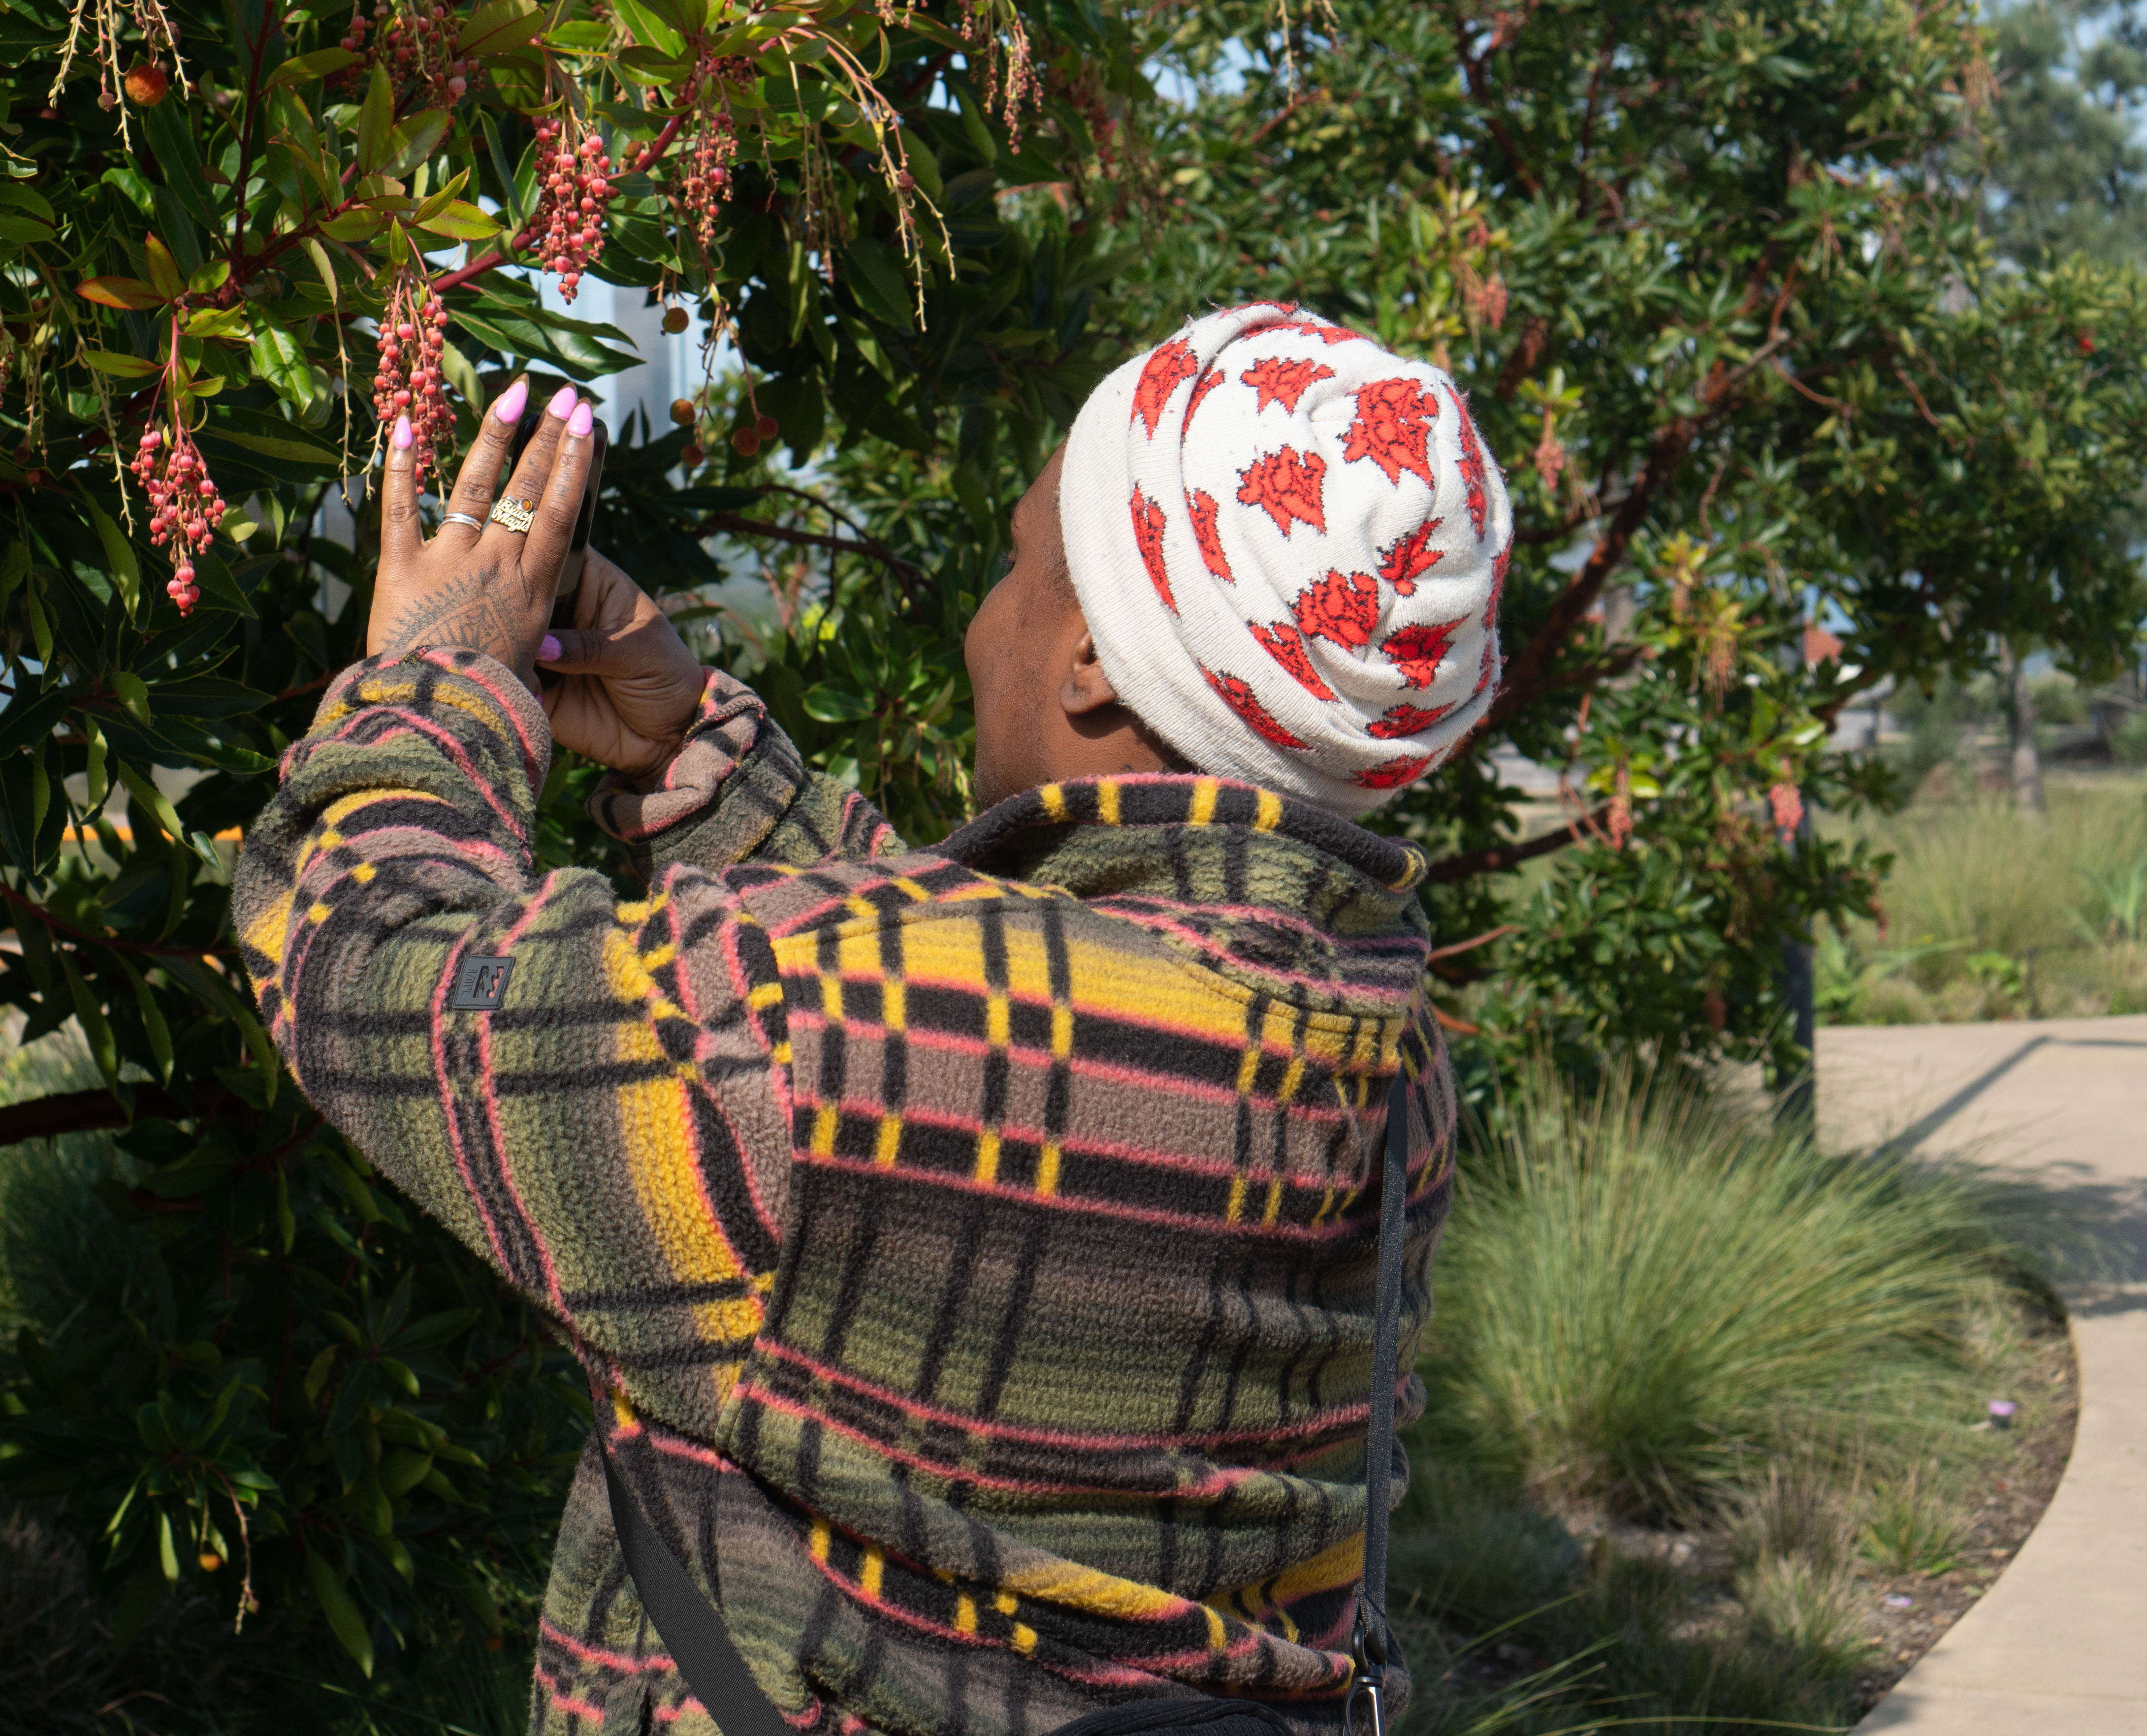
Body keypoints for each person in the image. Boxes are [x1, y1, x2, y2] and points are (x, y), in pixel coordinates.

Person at [232, 302, 1514, 1734]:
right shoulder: (1388, 1056)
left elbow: (363, 962)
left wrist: (438, 681)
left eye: (1020, 564)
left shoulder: (814, 1036)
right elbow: (1009, 1023)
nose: (987, 617)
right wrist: (698, 757)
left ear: (1093, 657)